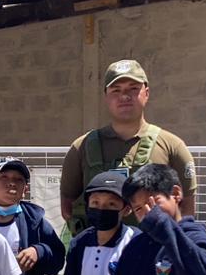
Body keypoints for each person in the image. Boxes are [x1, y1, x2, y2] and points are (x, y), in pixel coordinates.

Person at [59, 58, 198, 235]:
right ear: (106, 96)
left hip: (153, 254)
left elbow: (186, 209)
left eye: (133, 89)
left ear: (146, 93)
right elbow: (68, 207)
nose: (124, 96)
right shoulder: (81, 147)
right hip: (98, 253)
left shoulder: (172, 146)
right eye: (116, 90)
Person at [61, 170, 138, 275]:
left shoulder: (135, 242)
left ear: (127, 209)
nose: (102, 209)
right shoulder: (79, 244)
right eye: (95, 202)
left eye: (111, 204)